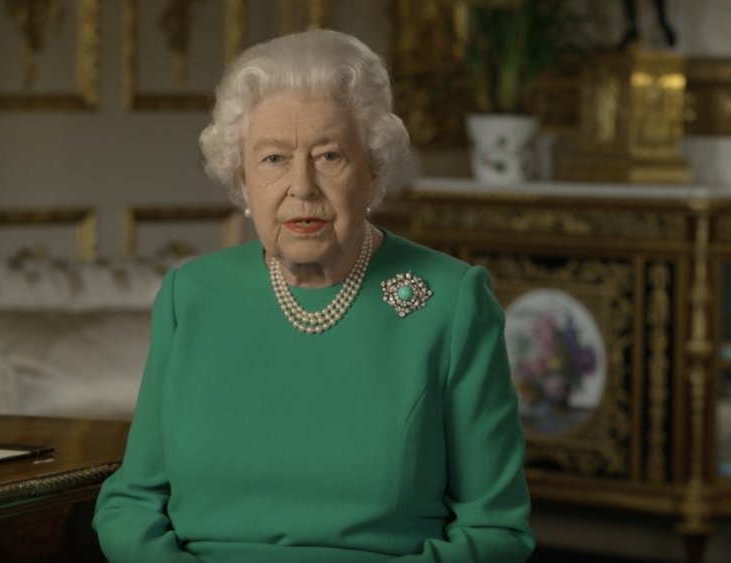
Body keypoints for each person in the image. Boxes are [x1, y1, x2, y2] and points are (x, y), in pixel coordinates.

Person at [93, 29, 534, 562]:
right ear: (242, 179)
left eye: (329, 156)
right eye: (274, 159)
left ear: (371, 173)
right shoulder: (192, 296)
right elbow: (130, 502)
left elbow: (497, 531)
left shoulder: (449, 302)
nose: (301, 186)